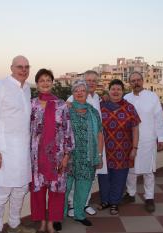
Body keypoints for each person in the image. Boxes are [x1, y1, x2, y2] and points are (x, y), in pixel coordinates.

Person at [0, 55, 35, 233]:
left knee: (20, 190)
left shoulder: (27, 88)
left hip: (23, 152)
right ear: (11, 68)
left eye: (26, 66)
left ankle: (15, 225)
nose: (24, 70)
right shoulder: (0, 86)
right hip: (5, 151)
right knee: (0, 193)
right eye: (20, 66)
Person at [29, 69, 75, 233]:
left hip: (57, 156)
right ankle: (41, 222)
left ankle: (51, 223)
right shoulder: (31, 104)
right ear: (37, 84)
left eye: (48, 80)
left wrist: (66, 155)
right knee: (38, 192)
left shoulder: (61, 104)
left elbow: (68, 130)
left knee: (56, 192)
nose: (45, 83)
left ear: (52, 82)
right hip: (37, 157)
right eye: (42, 80)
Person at [66, 70, 107, 217]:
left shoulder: (97, 99)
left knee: (89, 178)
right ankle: (71, 206)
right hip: (73, 152)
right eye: (87, 80)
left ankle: (84, 204)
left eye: (93, 81)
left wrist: (100, 153)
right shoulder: (71, 101)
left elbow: (99, 131)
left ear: (97, 83)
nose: (90, 83)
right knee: (71, 181)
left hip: (91, 149)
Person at [123, 71, 163, 213]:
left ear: (142, 81)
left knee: (148, 170)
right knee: (131, 169)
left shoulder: (152, 96)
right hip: (130, 140)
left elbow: (159, 118)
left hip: (148, 139)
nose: (136, 82)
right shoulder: (126, 98)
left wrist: (161, 138)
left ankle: (149, 198)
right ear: (129, 83)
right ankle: (131, 194)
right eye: (133, 80)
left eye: (138, 80)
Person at [98, 79, 140, 215]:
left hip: (123, 149)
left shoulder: (129, 108)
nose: (115, 92)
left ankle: (114, 203)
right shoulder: (100, 106)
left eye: (118, 89)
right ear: (108, 91)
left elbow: (135, 129)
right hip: (104, 149)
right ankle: (105, 200)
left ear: (123, 91)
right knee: (104, 176)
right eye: (113, 89)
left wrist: (134, 148)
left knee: (120, 177)